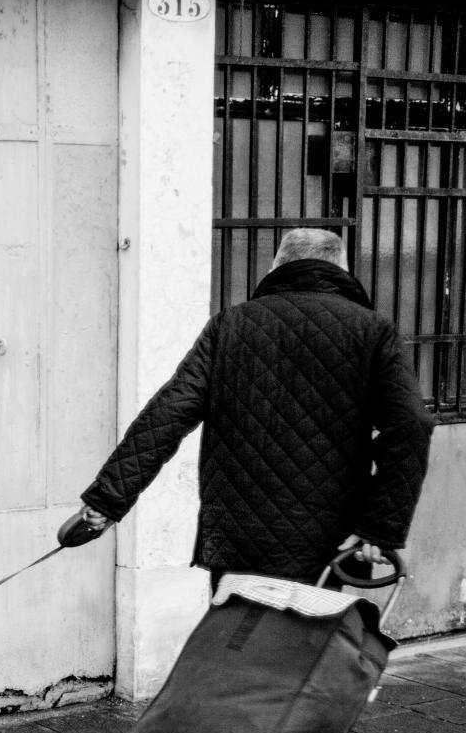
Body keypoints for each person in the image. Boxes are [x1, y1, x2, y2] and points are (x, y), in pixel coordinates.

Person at [67, 228, 434, 584]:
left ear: (275, 268)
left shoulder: (231, 325)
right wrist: (379, 528)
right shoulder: (372, 330)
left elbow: (168, 414)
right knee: (308, 641)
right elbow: (412, 424)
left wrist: (106, 502)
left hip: (238, 536)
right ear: (342, 270)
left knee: (235, 642)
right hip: (326, 540)